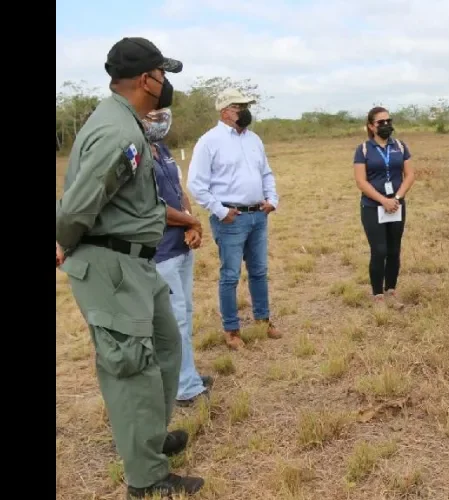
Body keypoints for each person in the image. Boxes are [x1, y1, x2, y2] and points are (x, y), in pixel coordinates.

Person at [55, 37, 204, 498]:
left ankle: (151, 440)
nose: (166, 85)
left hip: (137, 262)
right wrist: (64, 245)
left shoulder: (129, 124)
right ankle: (146, 479)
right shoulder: (119, 133)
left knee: (165, 345)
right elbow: (78, 205)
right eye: (163, 75)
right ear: (146, 80)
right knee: (132, 368)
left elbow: (132, 202)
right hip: (111, 266)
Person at [187, 88, 281, 350]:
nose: (245, 110)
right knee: (230, 275)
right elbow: (196, 184)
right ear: (225, 111)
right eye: (240, 105)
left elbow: (266, 173)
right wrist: (220, 211)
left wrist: (272, 199)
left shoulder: (254, 140)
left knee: (259, 271)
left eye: (246, 105)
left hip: (257, 215)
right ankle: (231, 330)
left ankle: (263, 320)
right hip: (231, 219)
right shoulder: (210, 141)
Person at [142, 107, 214, 407]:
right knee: (174, 322)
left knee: (184, 316)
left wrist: (191, 220)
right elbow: (151, 207)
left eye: (162, 112)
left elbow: (178, 190)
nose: (160, 118)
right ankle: (184, 387)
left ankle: (187, 375)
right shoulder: (136, 156)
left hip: (181, 244)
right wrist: (191, 223)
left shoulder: (160, 148)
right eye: (152, 113)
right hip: (161, 251)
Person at [352, 107, 416, 307]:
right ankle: (377, 294)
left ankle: (391, 290)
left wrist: (396, 197)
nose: (386, 125)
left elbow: (410, 175)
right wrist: (383, 200)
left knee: (394, 250)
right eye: (381, 122)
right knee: (379, 250)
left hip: (396, 205)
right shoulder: (363, 149)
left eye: (389, 120)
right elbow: (361, 181)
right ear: (371, 126)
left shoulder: (400, 146)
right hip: (373, 206)